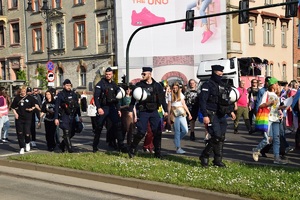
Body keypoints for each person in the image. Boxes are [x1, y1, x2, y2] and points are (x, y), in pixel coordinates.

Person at [199, 65, 236, 167]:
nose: (220, 75)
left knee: (221, 137)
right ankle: (205, 155)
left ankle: (217, 160)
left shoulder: (223, 85)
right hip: (211, 113)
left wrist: (230, 111)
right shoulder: (207, 85)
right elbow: (202, 101)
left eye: (221, 74)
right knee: (216, 136)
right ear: (213, 73)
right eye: (218, 74)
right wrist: (205, 115)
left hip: (221, 114)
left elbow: (225, 100)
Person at [128, 67, 168, 159]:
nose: (142, 75)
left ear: (150, 74)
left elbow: (162, 100)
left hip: (154, 111)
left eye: (144, 74)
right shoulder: (139, 85)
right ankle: (132, 148)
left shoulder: (157, 86)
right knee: (141, 131)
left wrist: (165, 111)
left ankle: (158, 152)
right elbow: (133, 100)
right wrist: (130, 110)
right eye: (142, 74)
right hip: (143, 111)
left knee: (157, 132)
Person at [252, 78, 287, 165]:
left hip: (275, 118)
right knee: (268, 138)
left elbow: (275, 107)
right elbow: (261, 105)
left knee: (276, 139)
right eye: (276, 84)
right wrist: (268, 103)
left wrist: (281, 108)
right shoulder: (266, 93)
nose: (277, 85)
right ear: (272, 85)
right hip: (267, 118)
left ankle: (276, 158)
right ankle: (256, 150)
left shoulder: (276, 95)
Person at [92, 67, 126, 153]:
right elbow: (96, 97)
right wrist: (99, 108)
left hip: (112, 107)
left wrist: (118, 109)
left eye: (109, 74)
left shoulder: (114, 84)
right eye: (107, 74)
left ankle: (121, 145)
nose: (108, 76)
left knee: (118, 125)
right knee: (99, 127)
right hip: (104, 108)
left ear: (112, 75)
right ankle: (95, 146)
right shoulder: (100, 84)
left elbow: (117, 98)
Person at [54, 79, 82, 153]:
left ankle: (62, 145)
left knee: (72, 132)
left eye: (69, 85)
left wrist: (79, 116)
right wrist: (56, 118)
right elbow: (56, 107)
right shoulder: (60, 95)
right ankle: (70, 149)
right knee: (66, 132)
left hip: (73, 115)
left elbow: (77, 106)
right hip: (64, 115)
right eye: (67, 85)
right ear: (64, 86)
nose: (68, 87)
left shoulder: (74, 94)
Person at [11, 86, 37, 154]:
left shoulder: (30, 98)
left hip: (27, 117)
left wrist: (31, 109)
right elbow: (13, 107)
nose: (23, 92)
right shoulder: (17, 98)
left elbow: (34, 106)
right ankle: (21, 147)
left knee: (27, 132)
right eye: (22, 91)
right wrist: (15, 114)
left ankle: (27, 142)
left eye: (24, 91)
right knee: (20, 133)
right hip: (19, 118)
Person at [168, 82, 192, 154]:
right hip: (174, 113)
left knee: (185, 130)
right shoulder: (170, 95)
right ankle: (178, 147)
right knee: (177, 131)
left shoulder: (181, 95)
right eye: (173, 88)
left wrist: (189, 113)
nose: (175, 89)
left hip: (181, 113)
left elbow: (184, 104)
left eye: (176, 88)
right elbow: (169, 106)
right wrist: (169, 116)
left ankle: (176, 140)